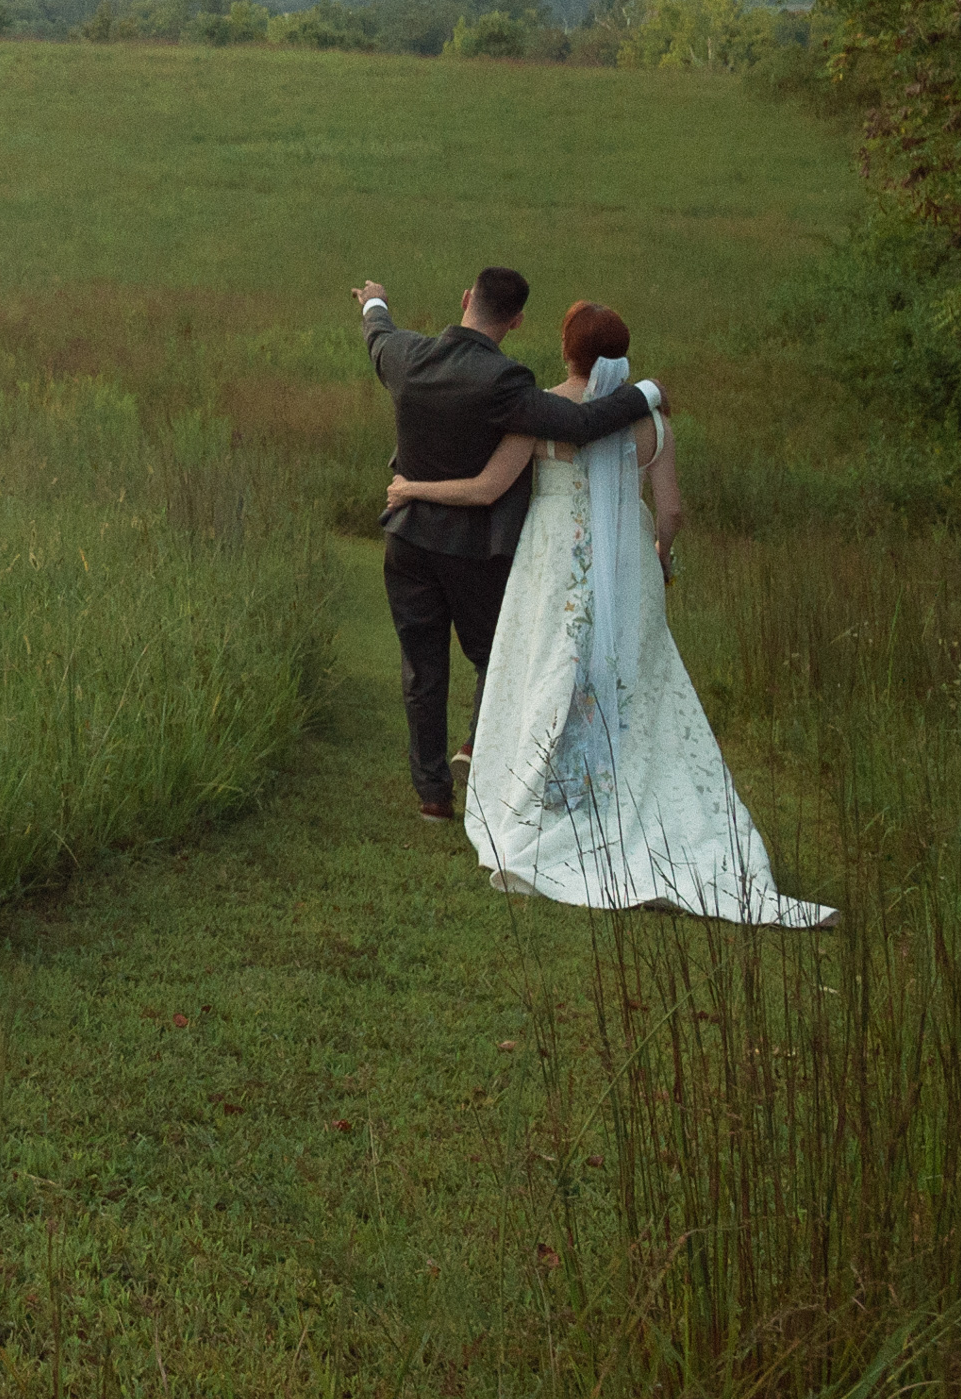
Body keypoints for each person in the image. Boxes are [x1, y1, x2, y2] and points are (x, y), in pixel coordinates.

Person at [389, 299, 832, 927]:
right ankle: (623, 794)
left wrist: (412, 487)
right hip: (628, 569)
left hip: (552, 569)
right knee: (633, 684)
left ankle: (549, 797)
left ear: (567, 349)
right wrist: (661, 554)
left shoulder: (539, 411)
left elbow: (488, 488)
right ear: (620, 354)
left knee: (548, 671)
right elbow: (672, 510)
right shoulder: (651, 423)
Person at [356, 269, 661, 822]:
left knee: (422, 668)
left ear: (467, 298)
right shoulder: (506, 382)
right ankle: (477, 748)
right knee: (493, 656)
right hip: (476, 549)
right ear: (516, 321)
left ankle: (432, 794)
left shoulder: (406, 356)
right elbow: (583, 423)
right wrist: (648, 394)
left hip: (407, 539)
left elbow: (377, 335)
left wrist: (375, 303)